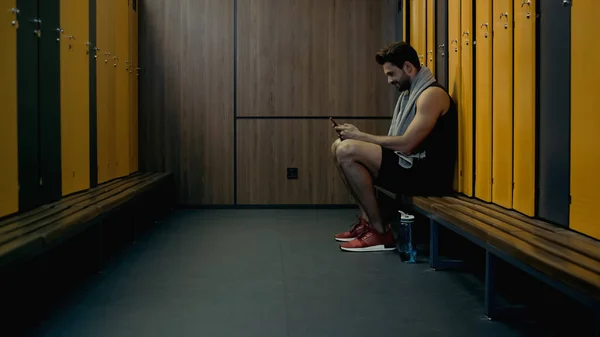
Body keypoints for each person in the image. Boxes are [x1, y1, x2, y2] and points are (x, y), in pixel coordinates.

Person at [330, 41, 457, 252]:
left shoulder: (431, 95)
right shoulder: (411, 95)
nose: (390, 80)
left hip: (427, 175)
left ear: (408, 67)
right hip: (410, 166)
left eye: (391, 74)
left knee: (347, 150)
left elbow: (407, 143)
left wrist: (361, 136)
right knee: (339, 146)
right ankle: (368, 224)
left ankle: (380, 232)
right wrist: (357, 137)